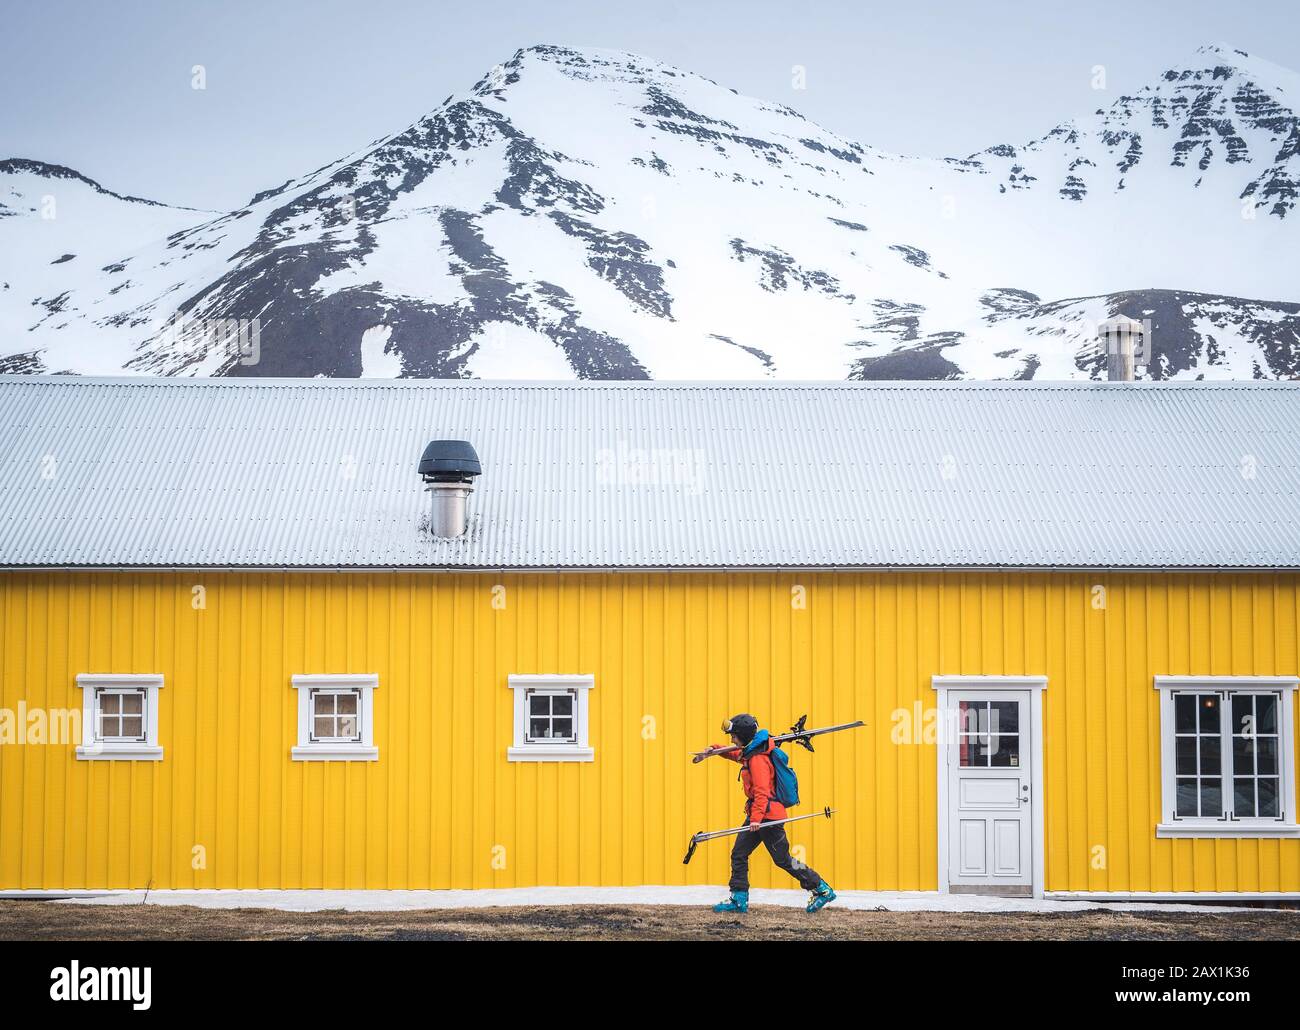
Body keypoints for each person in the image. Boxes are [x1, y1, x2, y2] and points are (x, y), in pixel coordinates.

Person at [694, 713, 836, 914]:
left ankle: (821, 889)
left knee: (783, 860)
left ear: (743, 735)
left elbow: (762, 792)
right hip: (759, 815)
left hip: (767, 817)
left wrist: (755, 820)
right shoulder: (751, 752)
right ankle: (738, 900)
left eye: (734, 736)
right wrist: (714, 750)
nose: (732, 740)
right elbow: (736, 754)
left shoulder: (758, 759)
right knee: (739, 853)